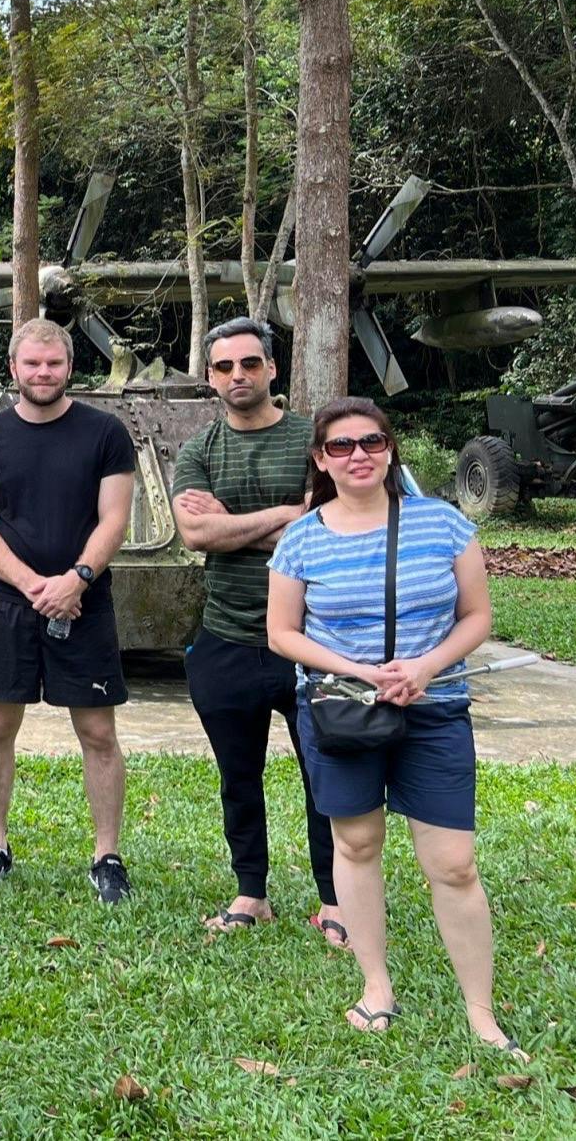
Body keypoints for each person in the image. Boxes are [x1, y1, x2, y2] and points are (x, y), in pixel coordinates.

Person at [267, 400, 523, 1056]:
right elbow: (282, 634)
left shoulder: (444, 525)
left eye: (372, 441)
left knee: (455, 865)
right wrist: (360, 669)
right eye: (342, 446)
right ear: (322, 459)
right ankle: (376, 986)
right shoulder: (302, 538)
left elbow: (476, 617)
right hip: (341, 709)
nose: (359, 455)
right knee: (356, 847)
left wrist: (426, 665)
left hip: (434, 707)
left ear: (390, 448)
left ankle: (481, 1011)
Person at [0, 317, 137, 903]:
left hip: (84, 601)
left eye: (53, 363)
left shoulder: (105, 432)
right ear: (14, 368)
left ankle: (107, 854)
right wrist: (34, 582)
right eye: (32, 363)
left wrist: (78, 577)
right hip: (11, 602)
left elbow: (115, 517)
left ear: (69, 368)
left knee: (97, 730)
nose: (42, 373)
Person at [171, 318, 341, 941]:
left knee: (325, 774)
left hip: (315, 640)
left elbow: (330, 527)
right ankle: (251, 892)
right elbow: (195, 535)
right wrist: (287, 517)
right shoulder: (199, 450)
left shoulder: (314, 443)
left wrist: (235, 522)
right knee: (238, 777)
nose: (237, 376)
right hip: (227, 637)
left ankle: (335, 900)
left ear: (272, 368)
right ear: (211, 377)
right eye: (223, 367)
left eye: (248, 364)